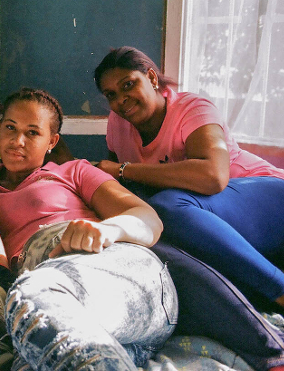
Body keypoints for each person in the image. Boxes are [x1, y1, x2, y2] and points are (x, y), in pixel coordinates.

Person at [0, 87, 177, 370]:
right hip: (71, 317)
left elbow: (148, 220)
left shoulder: (74, 171)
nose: (17, 141)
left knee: (29, 298)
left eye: (32, 132)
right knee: (32, 351)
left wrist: (107, 231)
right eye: (10, 128)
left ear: (52, 141)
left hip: (120, 277)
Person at [94, 46, 284, 311]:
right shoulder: (118, 123)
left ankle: (280, 290)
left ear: (151, 77)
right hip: (208, 219)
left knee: (168, 205)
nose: (121, 100)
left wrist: (123, 169)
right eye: (111, 95)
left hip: (270, 198)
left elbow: (213, 176)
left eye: (129, 85)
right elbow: (116, 184)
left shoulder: (192, 108)